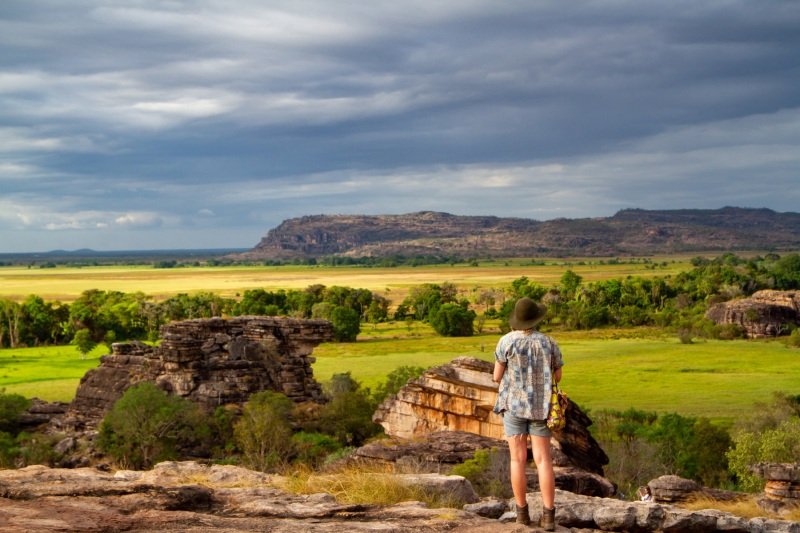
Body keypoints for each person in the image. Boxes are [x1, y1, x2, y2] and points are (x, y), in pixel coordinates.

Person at [493, 297, 563, 530]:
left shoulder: (506, 341)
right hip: (541, 408)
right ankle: (549, 517)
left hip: (513, 406)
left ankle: (522, 515)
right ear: (536, 319)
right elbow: (558, 376)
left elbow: (496, 376)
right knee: (544, 460)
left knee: (517, 460)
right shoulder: (548, 342)